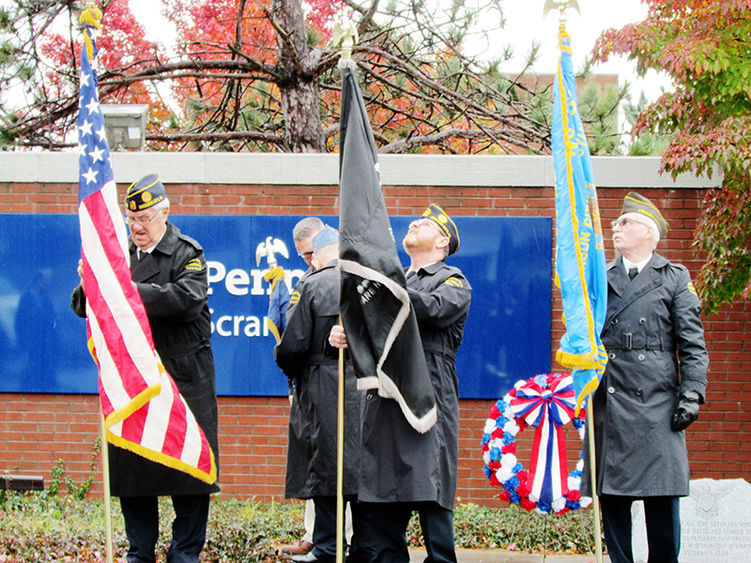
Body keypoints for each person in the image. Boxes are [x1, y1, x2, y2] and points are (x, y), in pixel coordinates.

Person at [72, 174, 220, 563]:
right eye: (131, 219)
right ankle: (139, 551)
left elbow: (184, 300)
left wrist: (121, 289)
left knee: (188, 472)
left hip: (182, 381)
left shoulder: (186, 252)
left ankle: (185, 552)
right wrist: (93, 283)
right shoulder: (116, 255)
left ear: (165, 213)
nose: (137, 227)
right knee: (134, 471)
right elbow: (84, 305)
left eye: (146, 219)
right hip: (133, 383)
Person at [330, 203, 472, 563]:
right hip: (383, 404)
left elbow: (435, 309)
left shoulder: (452, 279)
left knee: (432, 506)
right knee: (380, 517)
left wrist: (384, 291)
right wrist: (349, 334)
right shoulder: (394, 282)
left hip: (425, 400)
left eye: (424, 224)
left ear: (442, 242)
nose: (414, 224)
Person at [583, 192, 709, 563]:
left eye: (625, 222)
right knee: (615, 509)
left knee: (661, 505)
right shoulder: (599, 278)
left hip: (657, 405)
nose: (615, 227)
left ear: (649, 232)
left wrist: (692, 393)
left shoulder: (674, 278)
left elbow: (693, 344)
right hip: (612, 403)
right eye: (616, 222)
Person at [274, 226, 373, 563]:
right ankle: (361, 549)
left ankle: (328, 549)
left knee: (327, 470)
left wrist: (287, 365)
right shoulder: (368, 284)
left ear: (317, 254)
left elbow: (293, 345)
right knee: (359, 472)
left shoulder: (312, 283)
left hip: (322, 390)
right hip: (366, 391)